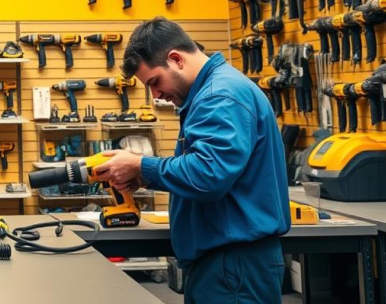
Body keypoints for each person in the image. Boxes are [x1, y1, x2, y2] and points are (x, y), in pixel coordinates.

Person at [94, 17, 290, 303]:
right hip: (226, 263)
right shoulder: (216, 90)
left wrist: (140, 164)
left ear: (176, 59)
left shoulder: (219, 95)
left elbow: (208, 175)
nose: (156, 95)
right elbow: (209, 169)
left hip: (234, 267)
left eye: (155, 82)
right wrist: (146, 175)